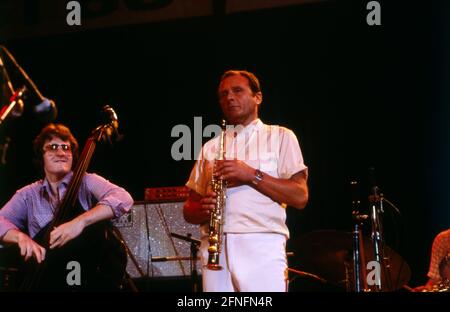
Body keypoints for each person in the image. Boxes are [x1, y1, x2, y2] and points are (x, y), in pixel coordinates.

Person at [183, 70, 309, 292]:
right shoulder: (210, 147)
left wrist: (251, 175)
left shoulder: (281, 136)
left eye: (237, 90)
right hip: (215, 248)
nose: (229, 97)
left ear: (257, 97)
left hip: (261, 243)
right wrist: (204, 209)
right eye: (223, 94)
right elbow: (188, 210)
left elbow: (300, 196)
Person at [0, 123, 133, 290]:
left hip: (88, 278)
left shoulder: (86, 181)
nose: (61, 153)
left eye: (66, 148)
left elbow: (124, 198)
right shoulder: (28, 195)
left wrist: (80, 222)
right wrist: (20, 237)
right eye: (53, 147)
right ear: (41, 156)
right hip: (46, 279)